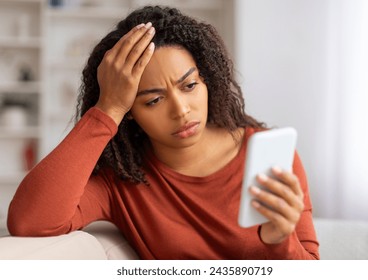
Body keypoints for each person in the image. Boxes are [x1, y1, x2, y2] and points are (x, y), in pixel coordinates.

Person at [7, 6, 319, 260]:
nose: (181, 110)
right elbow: (30, 221)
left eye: (190, 85)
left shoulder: (269, 158)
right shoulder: (121, 180)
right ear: (130, 112)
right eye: (153, 100)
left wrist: (279, 241)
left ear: (207, 79)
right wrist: (107, 109)